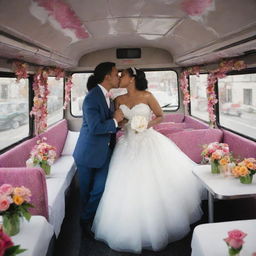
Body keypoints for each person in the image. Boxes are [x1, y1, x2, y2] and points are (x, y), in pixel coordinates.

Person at [92, 67, 203, 253]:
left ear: (132, 78)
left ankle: (159, 226)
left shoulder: (147, 96)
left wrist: (145, 124)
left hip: (149, 142)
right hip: (127, 145)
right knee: (126, 187)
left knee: (154, 183)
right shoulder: (118, 99)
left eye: (123, 75)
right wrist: (122, 123)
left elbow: (160, 116)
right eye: (118, 75)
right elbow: (119, 122)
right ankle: (128, 229)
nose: (120, 77)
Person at [73, 62, 124, 236]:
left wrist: (120, 124)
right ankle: (84, 222)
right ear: (107, 76)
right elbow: (95, 127)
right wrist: (115, 121)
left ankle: (88, 217)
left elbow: (109, 123)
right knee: (85, 192)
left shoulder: (107, 96)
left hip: (105, 152)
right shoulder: (92, 97)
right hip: (88, 153)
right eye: (116, 73)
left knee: (100, 188)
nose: (118, 77)